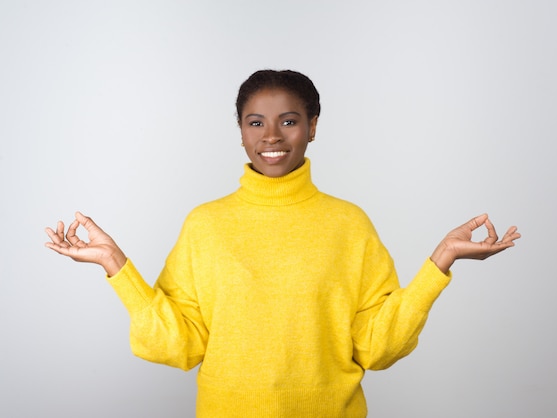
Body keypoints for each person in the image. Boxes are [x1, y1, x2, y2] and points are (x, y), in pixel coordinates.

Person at [45, 69, 520, 417]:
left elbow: (378, 348)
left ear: (313, 126)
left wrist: (441, 262)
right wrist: (115, 264)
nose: (271, 136)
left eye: (288, 121)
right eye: (255, 123)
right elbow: (180, 344)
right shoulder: (206, 225)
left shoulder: (348, 224)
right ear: (241, 132)